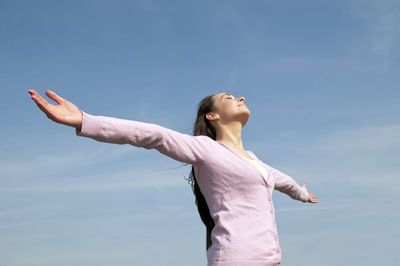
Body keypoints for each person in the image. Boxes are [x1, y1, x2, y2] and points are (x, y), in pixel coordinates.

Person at [28, 89, 319, 266]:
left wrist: (303, 195)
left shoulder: (257, 163)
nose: (240, 97)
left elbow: (284, 182)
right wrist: (85, 120)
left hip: (271, 260)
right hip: (236, 258)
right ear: (212, 116)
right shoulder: (205, 149)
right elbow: (154, 135)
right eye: (229, 98)